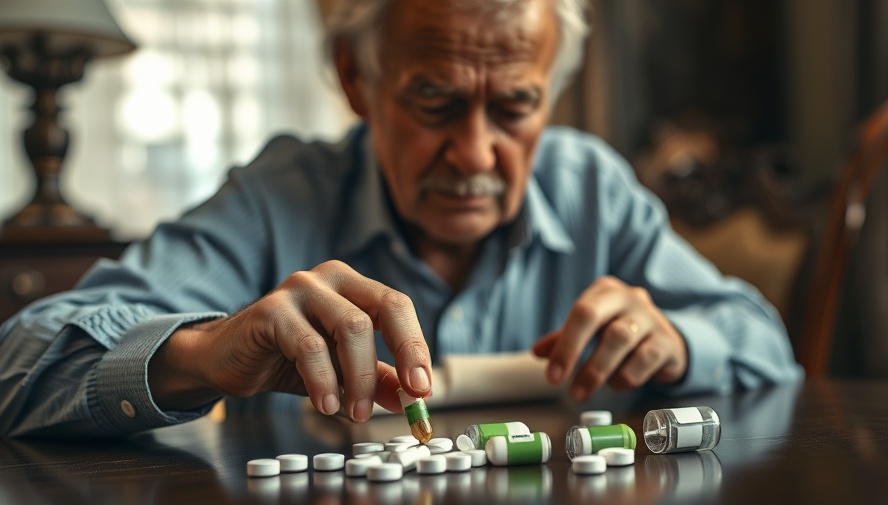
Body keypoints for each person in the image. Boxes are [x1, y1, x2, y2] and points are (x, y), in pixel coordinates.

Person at [0, 0, 802, 437]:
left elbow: (765, 342)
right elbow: (21, 361)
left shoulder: (593, 188)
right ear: (357, 78)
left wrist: (680, 341)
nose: (477, 156)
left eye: (515, 106)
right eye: (435, 100)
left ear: (549, 96)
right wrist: (204, 352)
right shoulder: (280, 196)